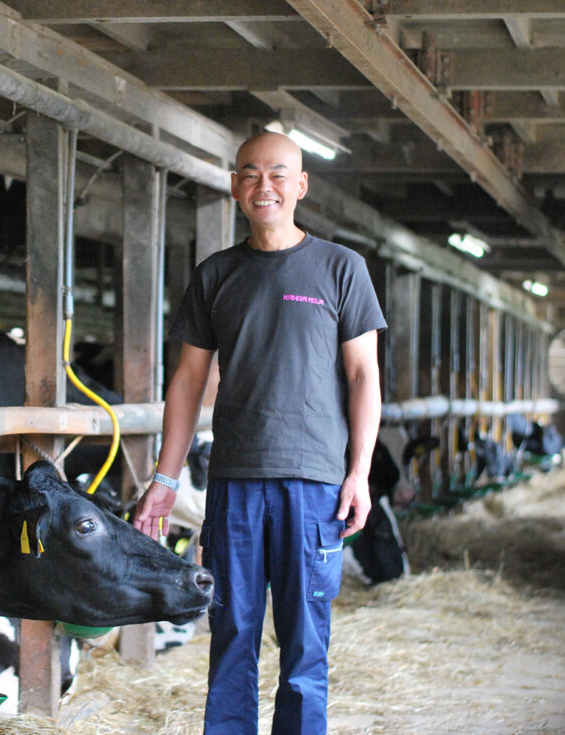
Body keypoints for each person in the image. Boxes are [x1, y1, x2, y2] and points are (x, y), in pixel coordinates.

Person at [133, 131, 386, 735]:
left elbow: (363, 377)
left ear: (300, 186)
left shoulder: (340, 268)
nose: (263, 186)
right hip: (234, 485)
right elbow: (188, 384)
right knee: (232, 637)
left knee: (304, 646)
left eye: (278, 175)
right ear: (235, 188)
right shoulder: (216, 274)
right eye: (250, 174)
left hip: (315, 483)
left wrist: (360, 473)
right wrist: (165, 479)